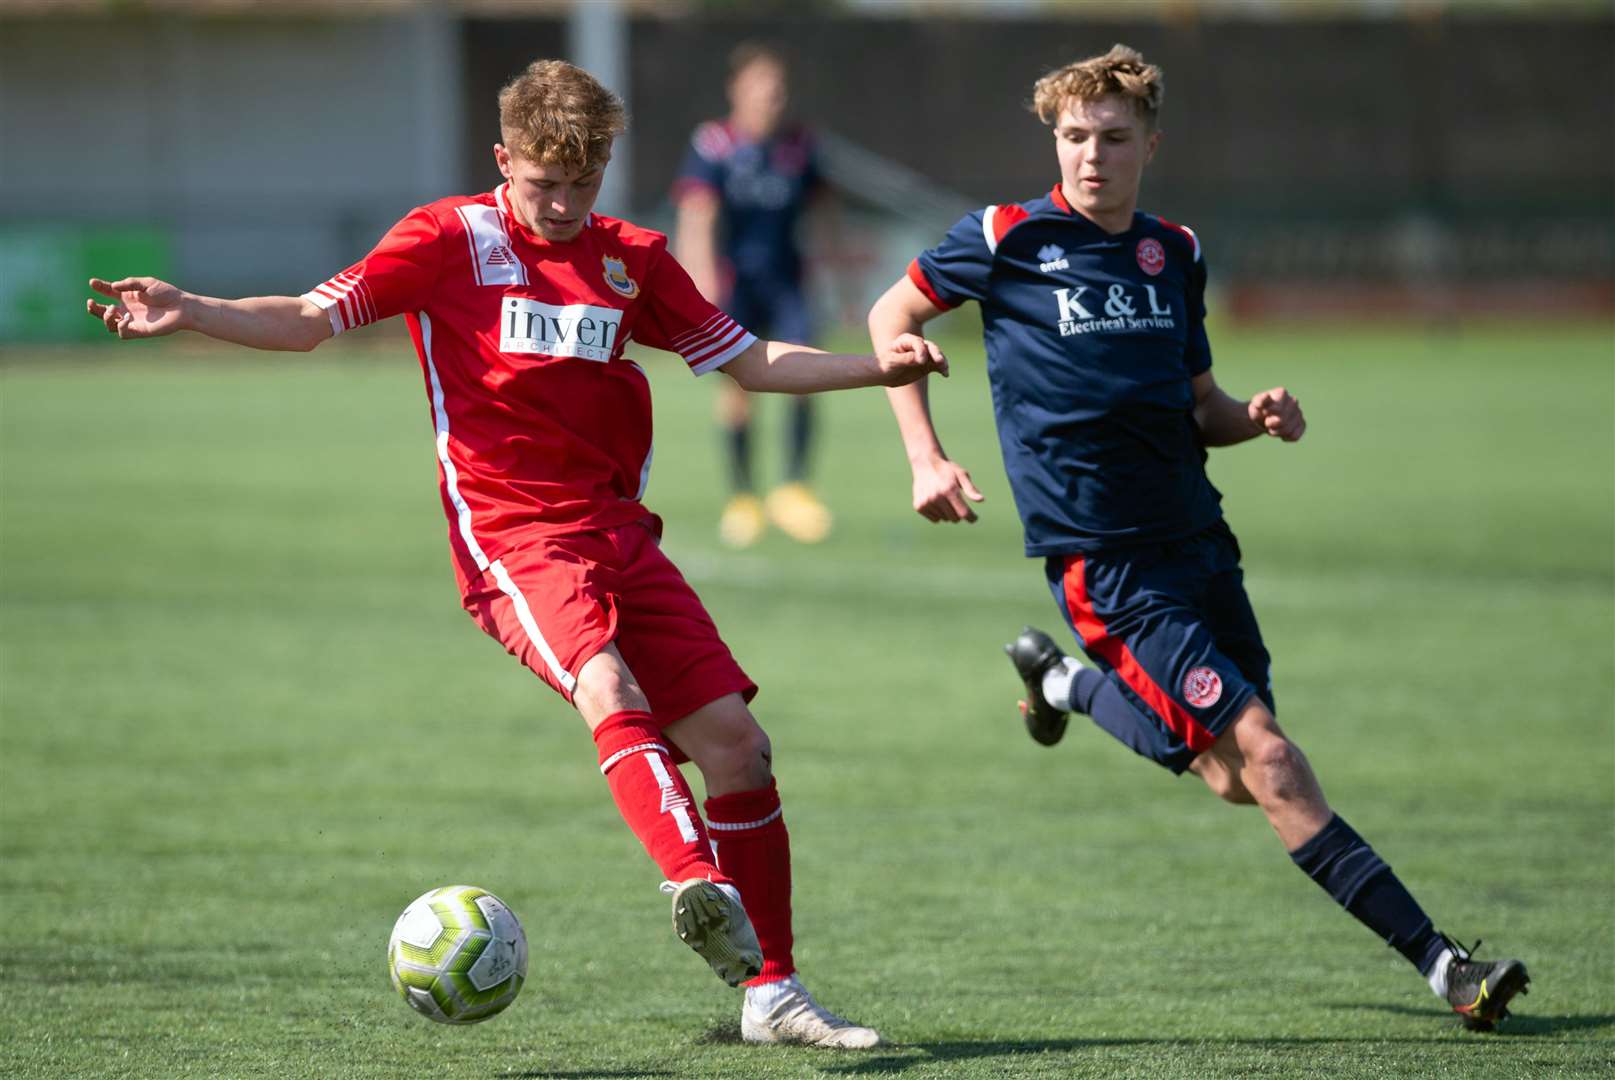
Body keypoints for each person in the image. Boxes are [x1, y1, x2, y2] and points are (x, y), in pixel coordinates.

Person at [86, 58, 949, 1049]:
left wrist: (871, 366)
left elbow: (748, 358)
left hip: (619, 531)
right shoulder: (444, 240)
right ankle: (693, 879)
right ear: (504, 160)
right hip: (511, 538)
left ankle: (773, 995)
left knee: (736, 747)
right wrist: (194, 308)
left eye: (585, 184)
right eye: (545, 183)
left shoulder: (630, 257)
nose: (565, 204)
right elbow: (313, 320)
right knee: (608, 687)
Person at [867, 44, 1530, 1031]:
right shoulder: (1004, 236)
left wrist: (1250, 416)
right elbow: (892, 312)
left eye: (1112, 139)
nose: (1091, 157)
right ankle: (1445, 966)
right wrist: (923, 455)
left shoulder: (1172, 252)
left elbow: (1198, 406)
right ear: (1054, 139)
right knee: (1270, 760)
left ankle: (1063, 687)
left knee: (1230, 779)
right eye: (1073, 137)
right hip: (1105, 560)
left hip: (1197, 539)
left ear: (1149, 145)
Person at [673, 42, 836, 548]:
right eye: (763, 88)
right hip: (734, 285)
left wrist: (842, 278)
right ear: (737, 91)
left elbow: (826, 212)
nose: (773, 97)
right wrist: (698, 288)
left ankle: (793, 490)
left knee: (809, 375)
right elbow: (697, 215)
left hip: (788, 283)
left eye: (779, 89)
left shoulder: (801, 146)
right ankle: (743, 498)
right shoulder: (714, 145)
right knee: (738, 391)